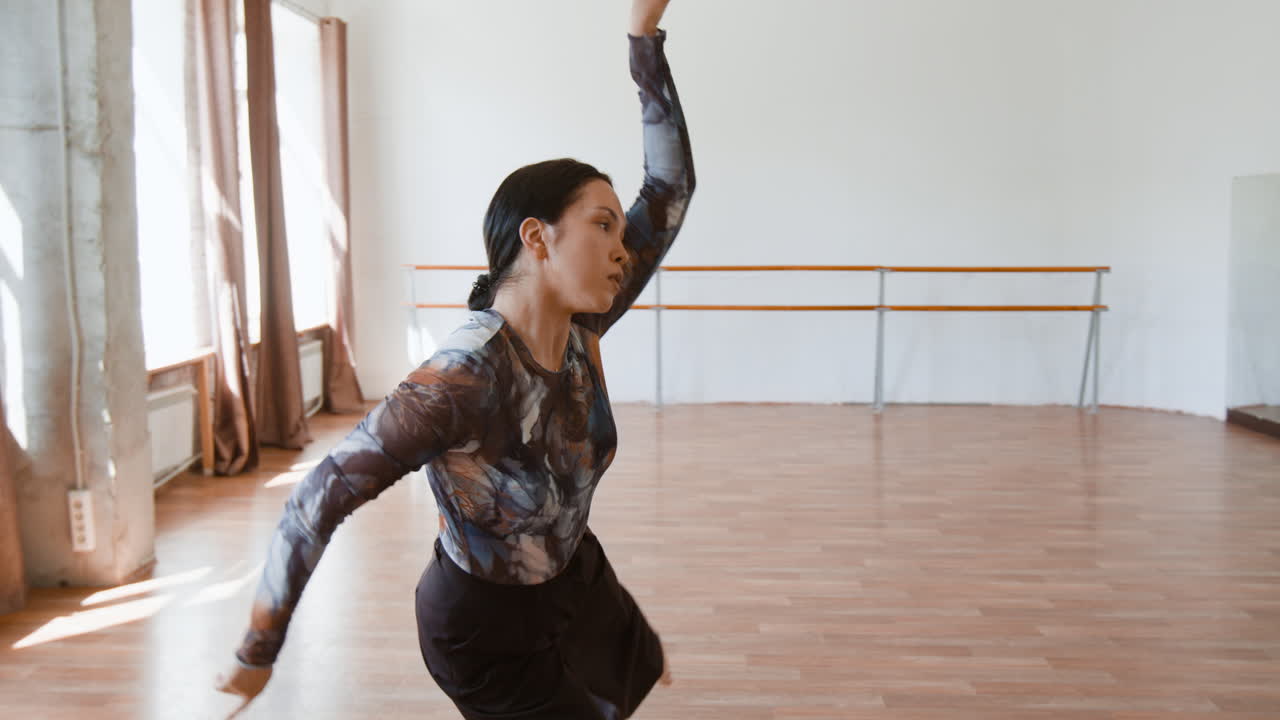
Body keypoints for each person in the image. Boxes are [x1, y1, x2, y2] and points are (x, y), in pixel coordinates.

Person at [215, 0, 694, 717]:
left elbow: (670, 189)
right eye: (602, 225)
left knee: (621, 691)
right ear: (537, 237)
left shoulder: (581, 325)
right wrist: (259, 649)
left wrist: (643, 37)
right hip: (485, 627)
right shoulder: (461, 378)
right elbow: (315, 501)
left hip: (576, 578)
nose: (624, 248)